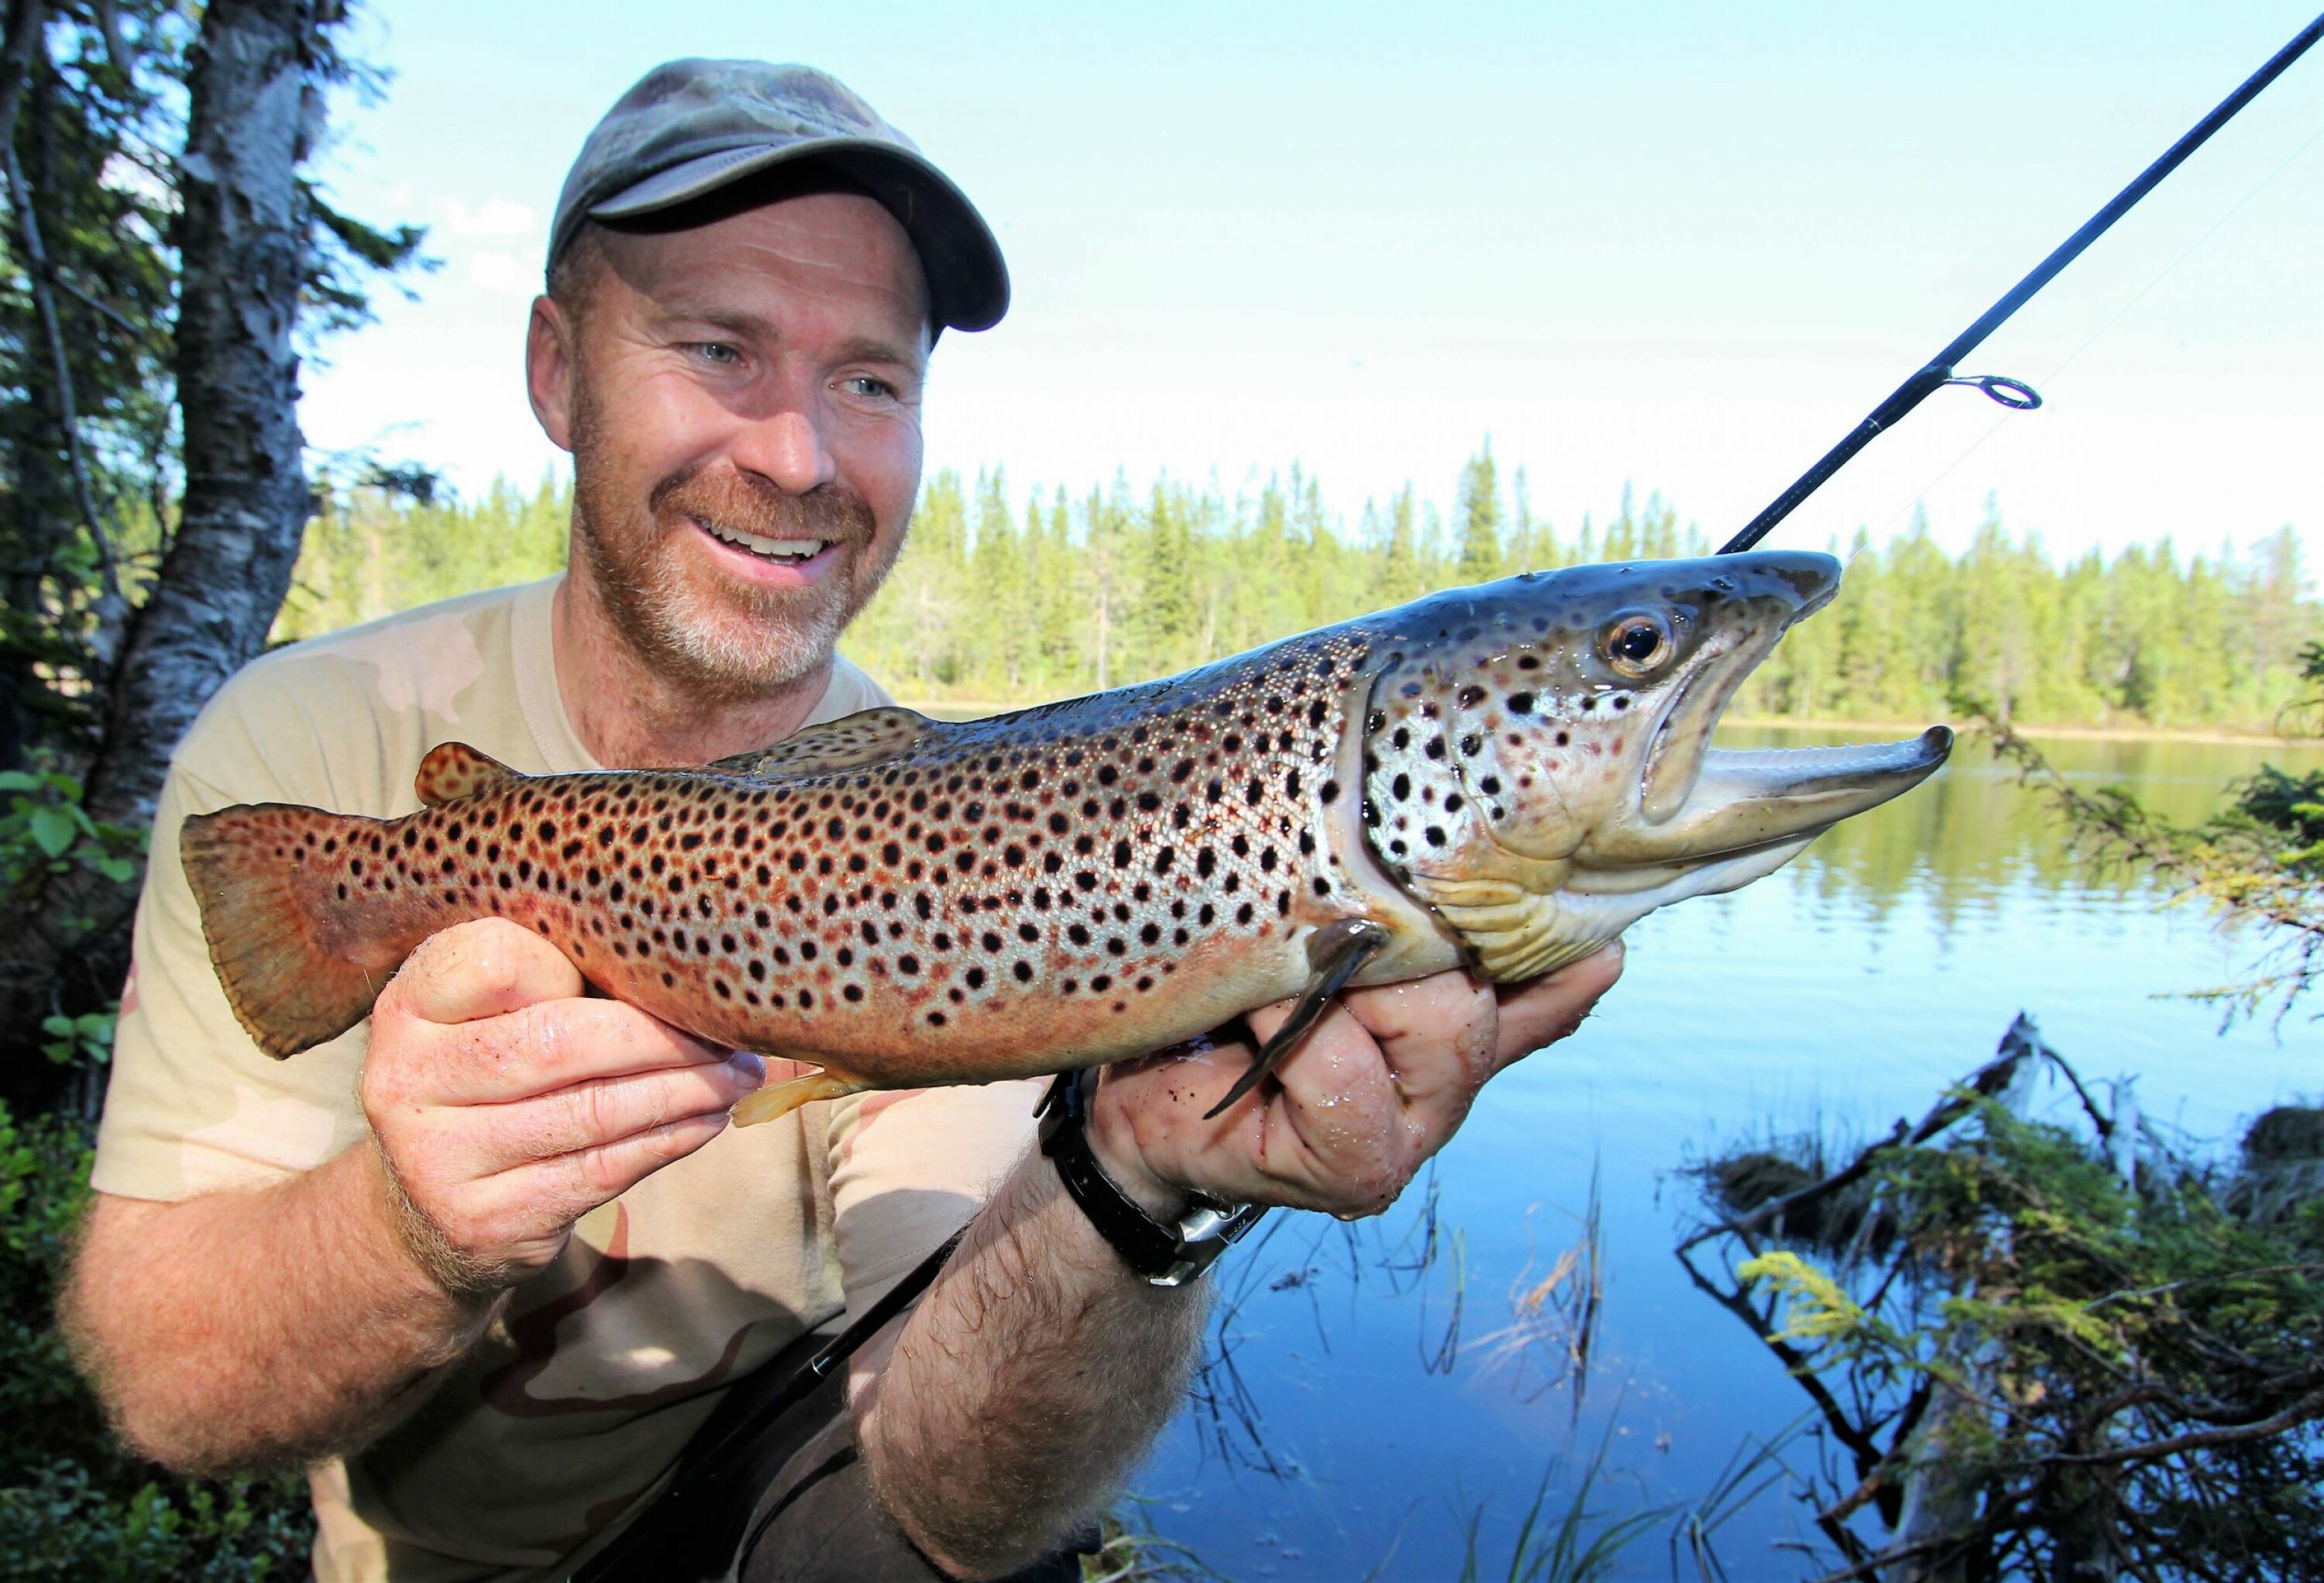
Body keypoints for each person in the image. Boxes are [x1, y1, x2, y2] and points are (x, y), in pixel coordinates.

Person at [63, 59, 1623, 1583]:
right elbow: (169, 1396)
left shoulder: (984, 834)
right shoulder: (313, 746)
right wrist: (413, 1223)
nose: (798, 454)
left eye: (870, 380)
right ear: (556, 370)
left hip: (786, 1509)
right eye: (718, 349)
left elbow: (956, 1508)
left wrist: (1140, 1186)